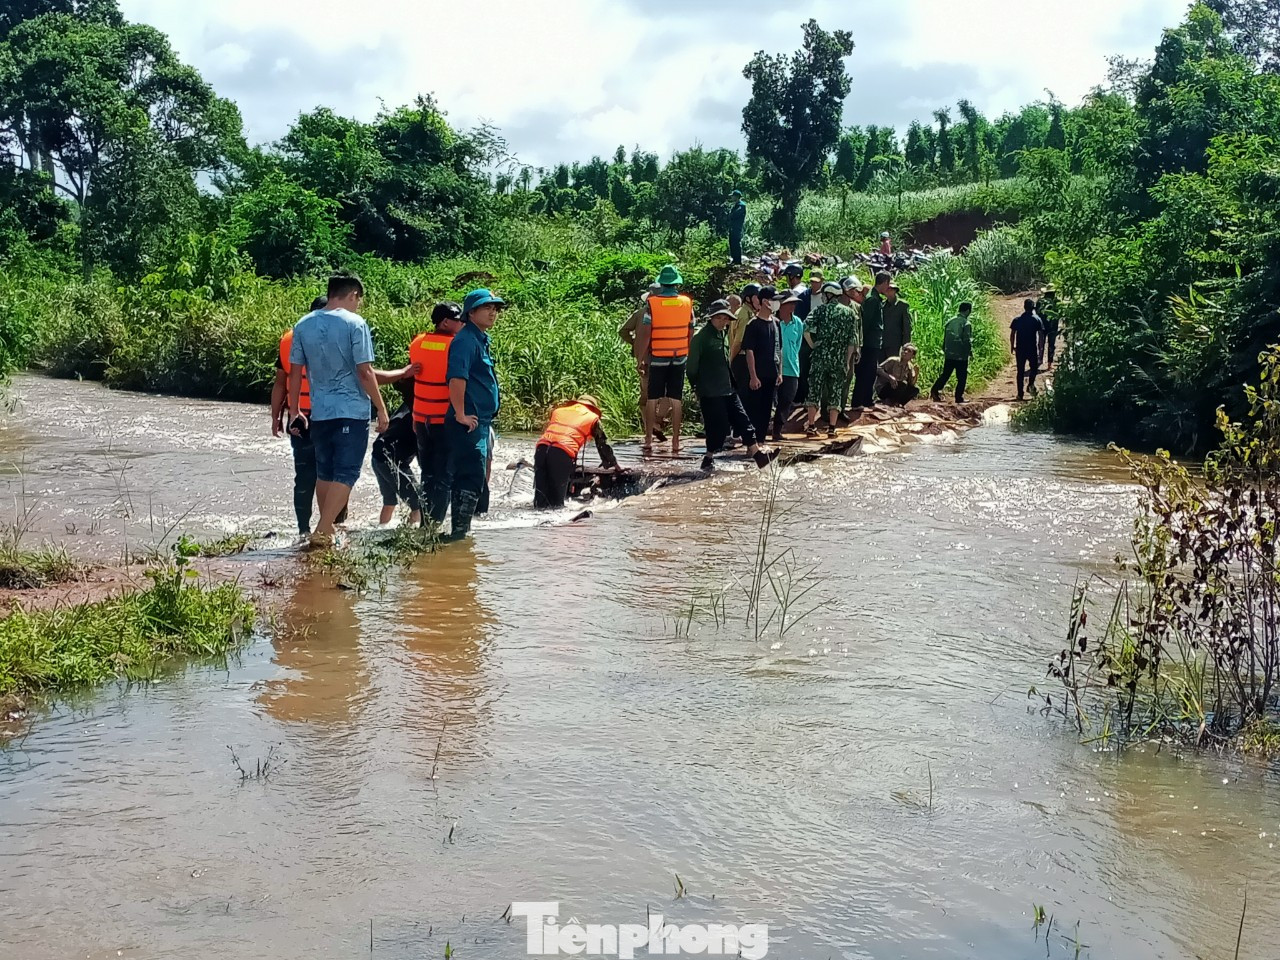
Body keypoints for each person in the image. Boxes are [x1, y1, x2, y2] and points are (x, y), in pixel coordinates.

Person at [287, 273, 388, 544]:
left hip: (318, 412)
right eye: (359, 300)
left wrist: (294, 409)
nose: (358, 305)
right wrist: (381, 408)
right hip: (351, 411)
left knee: (326, 472)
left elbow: (294, 372)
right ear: (353, 294)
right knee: (347, 472)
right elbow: (365, 371)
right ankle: (323, 528)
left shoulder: (303, 324)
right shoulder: (355, 324)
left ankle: (326, 529)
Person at [444, 288, 505, 540]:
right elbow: (457, 379)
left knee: (474, 475)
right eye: (487, 307)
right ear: (471, 312)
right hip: (467, 421)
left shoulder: (479, 338)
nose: (493, 312)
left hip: (478, 421)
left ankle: (462, 531)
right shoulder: (466, 341)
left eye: (495, 308)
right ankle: (458, 534)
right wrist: (460, 413)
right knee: (470, 475)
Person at [686, 300, 773, 472]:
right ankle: (708, 457)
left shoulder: (723, 334)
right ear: (711, 318)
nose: (722, 321)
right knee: (716, 426)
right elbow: (691, 367)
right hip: (710, 391)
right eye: (719, 318)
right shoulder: (700, 338)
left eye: (725, 318)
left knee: (743, 420)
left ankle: (758, 455)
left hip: (728, 388)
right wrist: (696, 386)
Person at [272, 295, 327, 535]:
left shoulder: (290, 340)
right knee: (335, 474)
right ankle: (331, 526)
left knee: (305, 476)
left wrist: (276, 416)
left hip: (298, 417)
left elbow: (279, 383)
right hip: (328, 417)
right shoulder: (337, 337)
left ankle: (303, 530)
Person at [408, 301, 465, 528]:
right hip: (444, 420)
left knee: (428, 474)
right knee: (443, 476)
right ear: (445, 322)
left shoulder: (418, 342)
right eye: (459, 320)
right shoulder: (456, 346)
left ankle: (425, 523)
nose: (462, 323)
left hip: (422, 418)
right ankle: (434, 527)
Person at [635, 265, 693, 455]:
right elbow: (691, 329)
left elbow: (645, 334)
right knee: (676, 399)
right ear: (677, 283)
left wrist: (640, 358)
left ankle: (648, 440)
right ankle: (676, 442)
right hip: (679, 356)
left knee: (652, 398)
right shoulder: (687, 303)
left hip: (658, 355)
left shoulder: (652, 304)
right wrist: (687, 350)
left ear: (662, 283)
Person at [533, 395, 619, 509]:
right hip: (562, 453)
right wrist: (614, 464)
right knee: (556, 504)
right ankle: (554, 526)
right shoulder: (592, 418)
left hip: (541, 449)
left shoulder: (558, 411)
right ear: (593, 408)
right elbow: (602, 445)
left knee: (540, 499)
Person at [804, 281, 860, 438]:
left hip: (819, 358)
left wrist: (813, 345)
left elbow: (806, 328)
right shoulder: (850, 313)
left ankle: (811, 427)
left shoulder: (819, 310)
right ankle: (831, 428)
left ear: (828, 294)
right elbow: (852, 341)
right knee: (835, 392)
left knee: (814, 391)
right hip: (839, 359)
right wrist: (847, 361)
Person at [619, 283, 668, 442]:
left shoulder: (640, 314)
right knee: (667, 392)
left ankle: (651, 425)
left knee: (646, 395)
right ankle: (656, 422)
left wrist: (635, 343)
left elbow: (623, 331)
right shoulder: (669, 314)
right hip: (665, 358)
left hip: (645, 360)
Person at [371, 377, 423, 525]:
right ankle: (412, 535)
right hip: (389, 459)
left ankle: (381, 530)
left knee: (389, 502)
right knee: (418, 503)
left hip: (377, 456)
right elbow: (422, 456)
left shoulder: (407, 406)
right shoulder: (416, 415)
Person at [742, 286, 784, 443]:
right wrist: (753, 376)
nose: (777, 304)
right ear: (765, 301)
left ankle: (761, 441)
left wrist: (779, 372)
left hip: (772, 374)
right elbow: (749, 351)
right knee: (754, 410)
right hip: (758, 375)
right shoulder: (753, 324)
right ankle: (751, 444)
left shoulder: (776, 323)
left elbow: (780, 349)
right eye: (775, 300)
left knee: (767, 410)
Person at [851, 272, 890, 408]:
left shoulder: (875, 298)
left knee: (871, 372)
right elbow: (866, 323)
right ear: (884, 283)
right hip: (868, 343)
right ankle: (857, 401)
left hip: (873, 342)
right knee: (864, 372)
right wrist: (862, 343)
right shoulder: (872, 300)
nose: (888, 287)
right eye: (888, 284)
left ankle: (867, 400)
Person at [773, 289, 804, 440]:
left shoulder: (797, 323)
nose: (792, 307)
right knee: (769, 400)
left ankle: (777, 431)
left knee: (786, 400)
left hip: (791, 368)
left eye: (794, 304)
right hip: (773, 368)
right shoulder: (773, 321)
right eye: (789, 303)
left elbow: (797, 345)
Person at [931, 302, 974, 403]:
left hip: (949, 353)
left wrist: (945, 349)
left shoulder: (950, 321)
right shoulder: (966, 323)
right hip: (961, 355)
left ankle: (935, 390)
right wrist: (969, 352)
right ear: (968, 311)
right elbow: (967, 340)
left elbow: (945, 338)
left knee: (945, 374)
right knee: (962, 377)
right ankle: (959, 397)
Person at [1010, 298, 1046, 400]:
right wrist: (1041, 347)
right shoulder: (1037, 319)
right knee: (1034, 368)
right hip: (1032, 348)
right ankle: (1030, 385)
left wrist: (1012, 346)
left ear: (1024, 307)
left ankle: (1020, 394)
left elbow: (1012, 334)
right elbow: (1041, 335)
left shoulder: (1017, 320)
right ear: (1033, 308)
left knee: (1020, 371)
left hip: (1020, 348)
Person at [881, 283, 913, 362]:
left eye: (891, 289)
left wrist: (906, 345)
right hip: (882, 344)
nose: (888, 292)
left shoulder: (902, 305)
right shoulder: (882, 305)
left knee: (895, 366)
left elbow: (907, 327)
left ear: (895, 291)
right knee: (881, 368)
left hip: (895, 343)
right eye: (887, 289)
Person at [1038, 287, 1060, 367]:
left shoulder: (1040, 301)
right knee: (1051, 345)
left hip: (1042, 325)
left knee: (1041, 344)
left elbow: (1037, 313)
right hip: (1053, 326)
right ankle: (1049, 364)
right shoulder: (1057, 302)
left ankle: (1040, 360)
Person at [727, 189, 747, 265]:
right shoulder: (736, 205)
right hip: (732, 227)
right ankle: (734, 259)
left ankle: (738, 260)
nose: (731, 197)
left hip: (737, 227)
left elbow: (735, 214)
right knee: (732, 242)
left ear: (736, 197)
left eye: (733, 196)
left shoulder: (741, 205)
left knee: (736, 243)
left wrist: (730, 215)